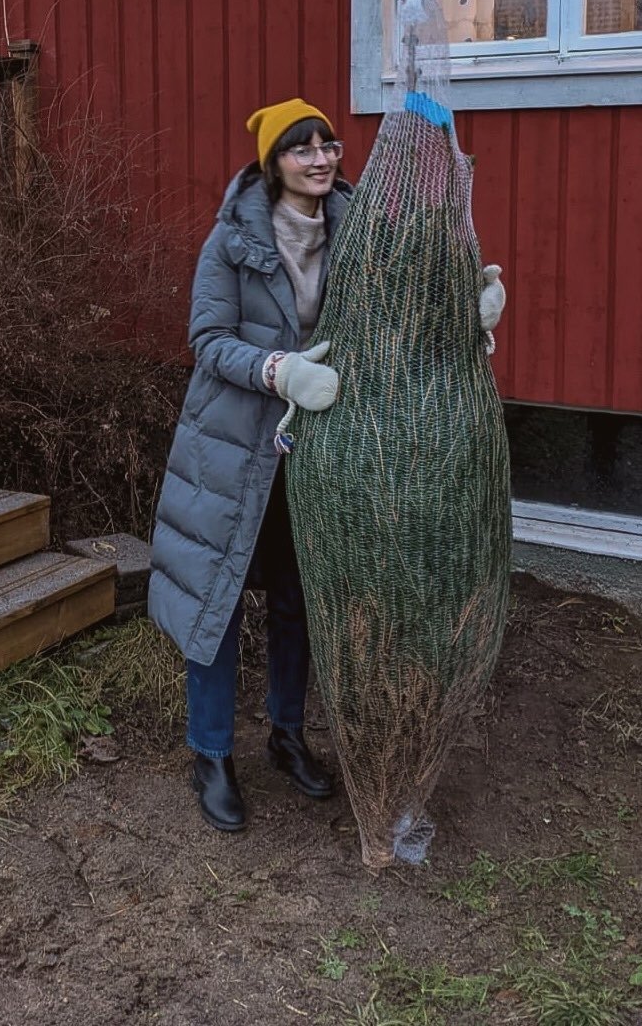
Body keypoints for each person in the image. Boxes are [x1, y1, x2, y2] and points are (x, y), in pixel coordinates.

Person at [148, 98, 506, 832]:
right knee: (214, 603)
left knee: (300, 598)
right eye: (299, 149)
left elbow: (404, 309)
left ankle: (286, 736)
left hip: (321, 453)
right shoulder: (233, 242)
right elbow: (208, 340)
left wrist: (472, 310)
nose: (319, 159)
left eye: (328, 145)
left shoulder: (359, 229)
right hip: (233, 448)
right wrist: (278, 371)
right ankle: (210, 753)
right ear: (270, 162)